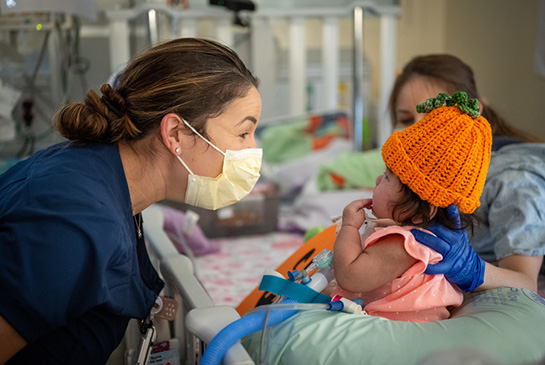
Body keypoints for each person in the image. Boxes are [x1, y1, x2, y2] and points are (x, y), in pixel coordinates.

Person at [0, 37, 262, 363]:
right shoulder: (75, 223)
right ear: (176, 134)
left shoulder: (103, 176)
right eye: (243, 133)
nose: (252, 151)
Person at [389, 54, 545, 295]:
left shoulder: (514, 180)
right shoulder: (418, 173)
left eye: (434, 117)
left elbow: (527, 283)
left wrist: (471, 268)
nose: (420, 130)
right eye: (406, 119)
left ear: (474, 113)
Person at [332, 91, 492, 321]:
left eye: (387, 177)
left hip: (397, 332)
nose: (377, 180)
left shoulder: (404, 244)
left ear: (418, 210)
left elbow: (349, 275)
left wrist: (349, 226)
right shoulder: (421, 238)